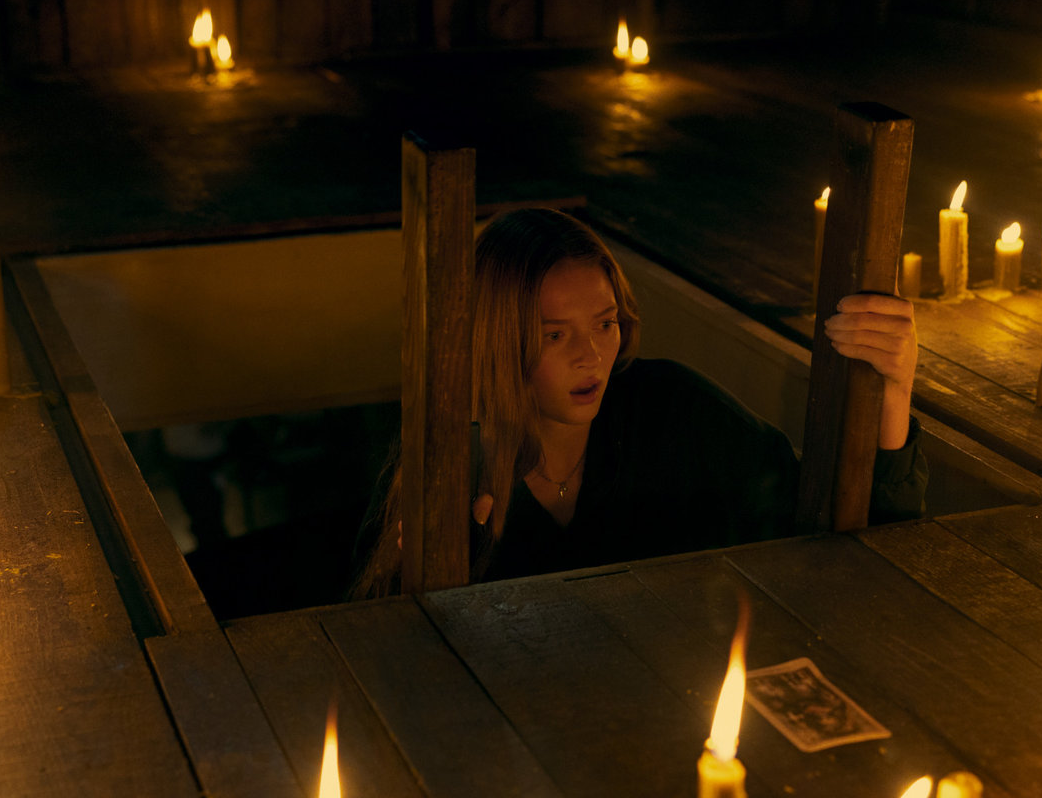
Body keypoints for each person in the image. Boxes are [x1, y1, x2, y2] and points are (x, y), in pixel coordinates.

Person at [356, 208, 925, 597]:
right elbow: (388, 653)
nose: (590, 356)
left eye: (604, 324)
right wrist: (418, 582)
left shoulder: (672, 408)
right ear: (499, 341)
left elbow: (837, 524)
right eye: (554, 334)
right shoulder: (455, 460)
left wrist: (895, 387)